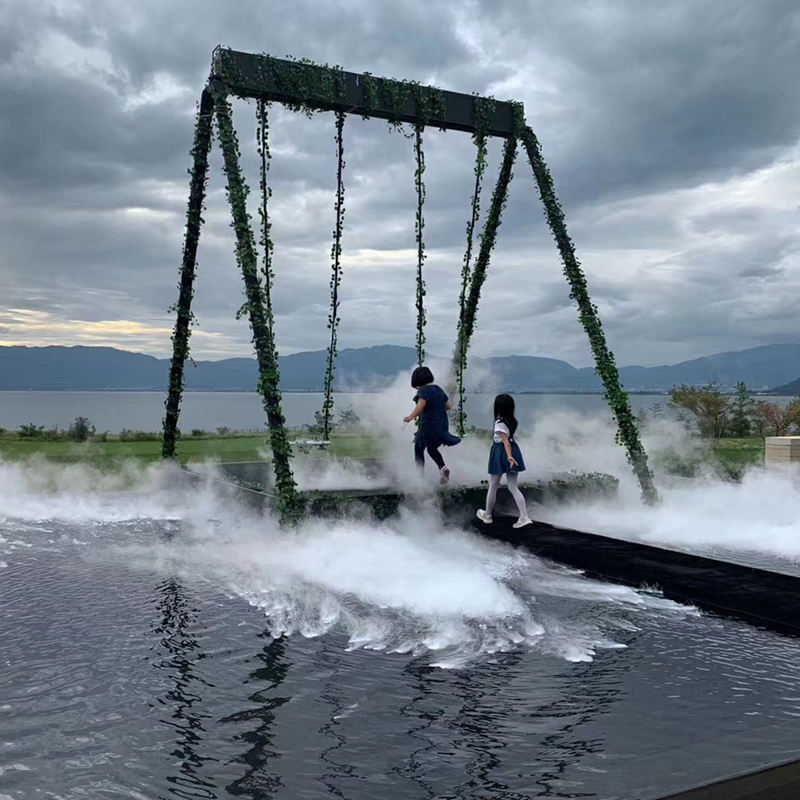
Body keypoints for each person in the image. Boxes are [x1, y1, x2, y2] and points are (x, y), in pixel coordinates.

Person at [476, 393, 532, 528]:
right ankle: (524, 517)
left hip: (502, 452)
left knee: (493, 484)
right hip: (514, 450)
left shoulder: (499, 423)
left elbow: (505, 441)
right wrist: (512, 455)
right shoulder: (512, 421)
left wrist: (509, 456)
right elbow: (510, 440)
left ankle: (488, 515)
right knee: (513, 486)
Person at [403, 366, 461, 484]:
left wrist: (410, 417)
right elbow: (448, 406)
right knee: (432, 448)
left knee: (418, 448)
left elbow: (421, 404)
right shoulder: (438, 389)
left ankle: (419, 477)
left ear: (417, 380)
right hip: (442, 426)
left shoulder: (424, 391)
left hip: (428, 426)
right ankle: (443, 468)